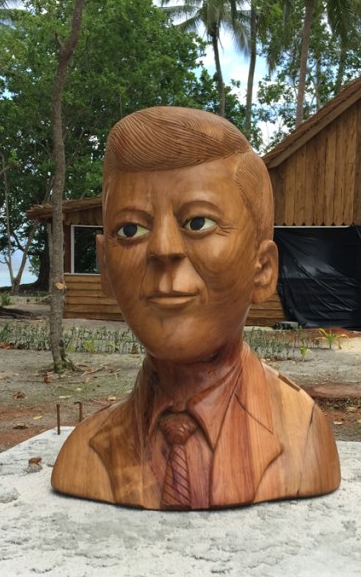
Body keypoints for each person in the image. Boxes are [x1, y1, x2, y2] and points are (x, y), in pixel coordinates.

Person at [51, 106, 340, 510]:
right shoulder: (85, 453)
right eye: (130, 230)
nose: (164, 249)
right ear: (105, 269)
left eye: (199, 223)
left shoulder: (304, 435)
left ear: (262, 270)